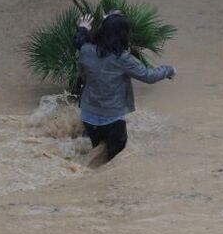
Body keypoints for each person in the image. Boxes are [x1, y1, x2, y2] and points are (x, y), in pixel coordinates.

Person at [73, 10, 175, 165]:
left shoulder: (86, 50)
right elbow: (149, 76)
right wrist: (169, 70)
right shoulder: (123, 58)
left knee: (96, 156)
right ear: (123, 35)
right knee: (115, 162)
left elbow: (78, 40)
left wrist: (83, 28)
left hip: (88, 116)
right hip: (112, 120)